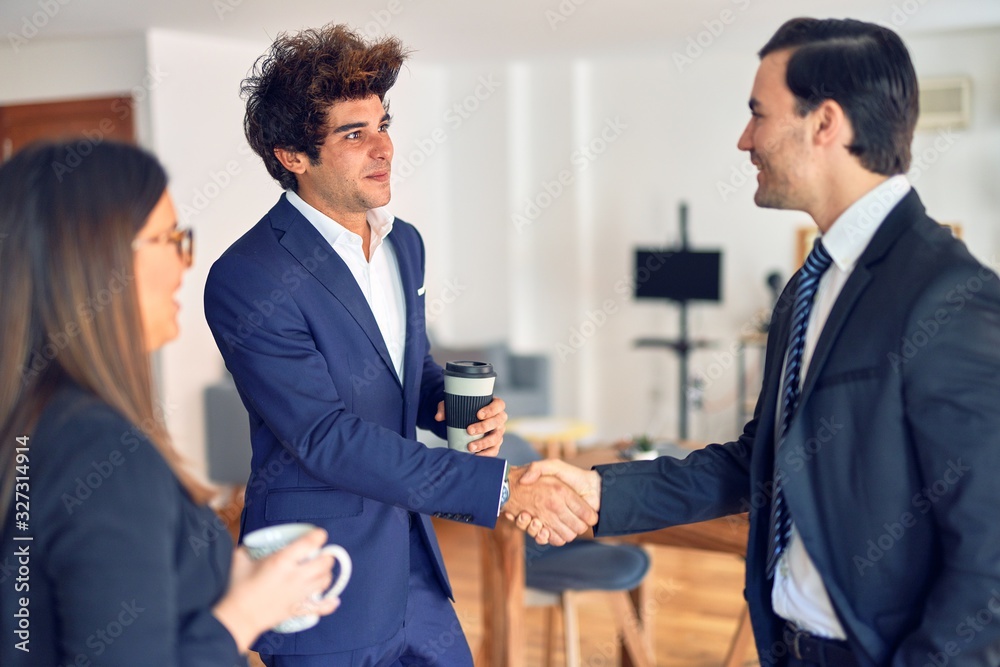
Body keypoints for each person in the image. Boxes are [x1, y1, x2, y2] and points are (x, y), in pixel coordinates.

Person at [516, 17, 1000, 667]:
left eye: (758, 114)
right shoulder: (807, 288)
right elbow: (760, 460)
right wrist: (600, 492)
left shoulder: (948, 293)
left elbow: (990, 554)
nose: (745, 139)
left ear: (824, 123)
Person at [203, 24, 596, 666]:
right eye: (353, 134)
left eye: (383, 124)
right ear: (292, 156)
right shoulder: (248, 276)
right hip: (320, 567)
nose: (383, 148)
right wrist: (499, 486)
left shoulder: (402, 243)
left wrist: (452, 404)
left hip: (415, 554)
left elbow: (403, 371)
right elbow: (325, 436)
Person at [0, 140, 341, 666]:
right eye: (169, 240)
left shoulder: (31, 421)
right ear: (99, 261)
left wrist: (221, 574)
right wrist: (248, 612)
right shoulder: (99, 450)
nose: (186, 263)